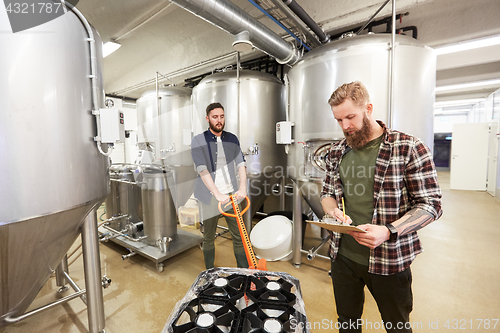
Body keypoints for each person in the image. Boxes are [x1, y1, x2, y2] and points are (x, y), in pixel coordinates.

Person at [320, 81, 442, 332]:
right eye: (339, 120)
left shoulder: (408, 147)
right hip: (342, 257)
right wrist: (332, 211)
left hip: (389, 259)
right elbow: (327, 194)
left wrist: (387, 231)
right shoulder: (337, 151)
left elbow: (431, 205)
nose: (345, 127)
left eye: (350, 117)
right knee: (347, 323)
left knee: (396, 325)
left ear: (369, 108)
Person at [191, 102, 249, 269]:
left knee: (239, 236)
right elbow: (202, 170)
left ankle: (244, 273)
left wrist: (242, 188)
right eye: (215, 117)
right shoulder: (198, 141)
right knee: (209, 236)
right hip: (209, 197)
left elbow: (241, 164)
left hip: (232, 195)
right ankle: (210, 272)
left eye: (222, 116)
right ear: (207, 118)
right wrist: (217, 194)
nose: (219, 120)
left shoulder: (232, 138)